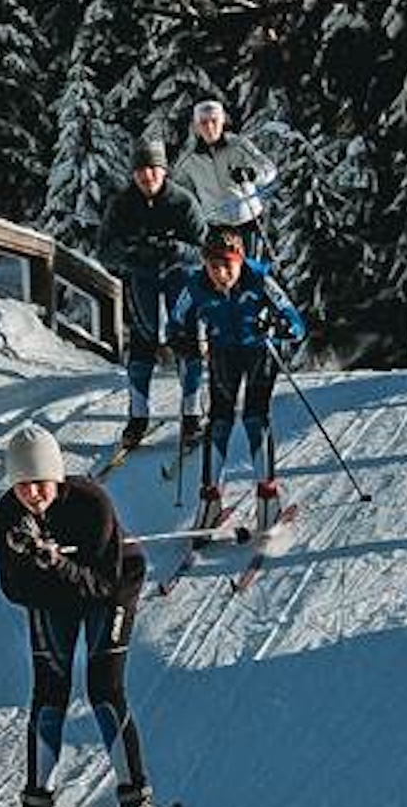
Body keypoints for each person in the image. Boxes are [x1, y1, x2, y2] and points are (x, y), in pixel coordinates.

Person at [0, 424, 163, 807]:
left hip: (115, 585)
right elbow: (14, 590)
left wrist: (54, 562)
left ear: (58, 476)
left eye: (40, 482)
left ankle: (137, 805)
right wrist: (33, 561)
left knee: (104, 690)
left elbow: (102, 584)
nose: (31, 493)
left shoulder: (90, 503)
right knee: (49, 694)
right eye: (22, 484)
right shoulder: (6, 516)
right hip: (54, 595)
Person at [164, 224, 309, 530]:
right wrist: (181, 341)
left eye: (227, 265)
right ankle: (210, 498)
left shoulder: (259, 279)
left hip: (259, 352)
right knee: (219, 420)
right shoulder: (195, 286)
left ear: (240, 260)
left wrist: (277, 328)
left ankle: (267, 497)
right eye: (213, 266)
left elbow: (296, 323)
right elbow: (175, 323)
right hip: (222, 353)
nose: (221, 274)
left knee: (256, 418)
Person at [98, 138, 207, 452]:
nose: (148, 176)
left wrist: (176, 250)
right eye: (141, 170)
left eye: (153, 169)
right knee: (143, 341)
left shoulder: (182, 202)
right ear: (134, 174)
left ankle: (191, 413)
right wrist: (132, 253)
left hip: (179, 277)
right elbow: (105, 249)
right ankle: (138, 416)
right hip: (143, 278)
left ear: (163, 170)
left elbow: (202, 250)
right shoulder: (122, 204)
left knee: (185, 339)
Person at [170, 99, 279, 262]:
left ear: (222, 121)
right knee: (223, 273)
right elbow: (182, 193)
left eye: (214, 121)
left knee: (251, 269)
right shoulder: (189, 159)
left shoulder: (237, 145)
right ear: (196, 127)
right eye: (203, 122)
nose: (209, 127)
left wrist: (251, 174)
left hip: (247, 221)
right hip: (216, 227)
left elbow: (269, 170)